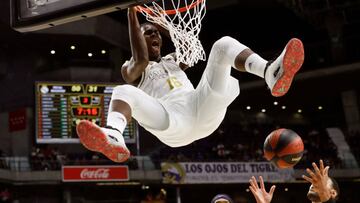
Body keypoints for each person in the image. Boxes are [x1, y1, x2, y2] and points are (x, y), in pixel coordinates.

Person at [76, 7, 305, 162]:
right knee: (122, 91)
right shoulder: (131, 69)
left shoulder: (172, 60)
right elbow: (142, 59)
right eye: (148, 34)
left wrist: (160, 21)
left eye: (156, 34)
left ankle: (269, 72)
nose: (154, 36)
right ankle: (114, 135)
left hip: (200, 108)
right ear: (137, 38)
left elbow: (190, 48)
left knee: (222, 45)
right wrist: (131, 12)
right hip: (171, 121)